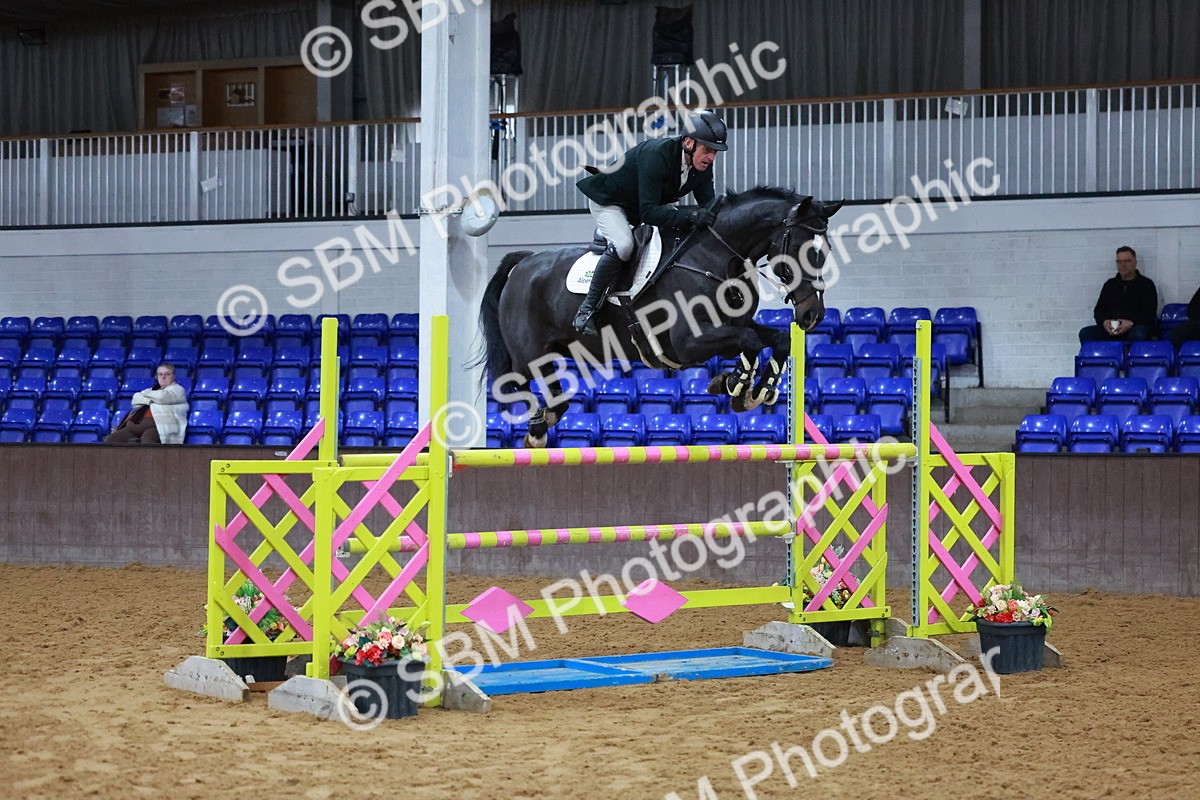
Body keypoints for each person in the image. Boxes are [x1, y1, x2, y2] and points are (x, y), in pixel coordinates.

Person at [572, 109, 728, 335]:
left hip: (645, 205)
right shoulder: (658, 155)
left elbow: (708, 206)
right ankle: (587, 309)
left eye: (715, 152)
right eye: (707, 150)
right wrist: (691, 216)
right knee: (625, 245)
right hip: (612, 203)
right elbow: (649, 213)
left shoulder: (702, 165)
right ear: (688, 142)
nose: (711, 158)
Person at [1078, 246, 1158, 343]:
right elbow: (1098, 310)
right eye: (1119, 262)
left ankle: (1129, 357)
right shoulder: (1110, 285)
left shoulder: (1146, 285)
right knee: (1085, 333)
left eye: (1127, 261)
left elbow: (1150, 313)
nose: (1123, 265)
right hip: (1112, 329)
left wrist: (1131, 323)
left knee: (1138, 334)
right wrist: (1104, 322)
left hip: (1135, 327)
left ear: (1135, 263)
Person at [105, 363, 189, 444]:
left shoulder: (178, 390)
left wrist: (146, 395)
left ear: (173, 376)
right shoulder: (154, 390)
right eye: (160, 374)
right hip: (136, 426)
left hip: (161, 427)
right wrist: (150, 401)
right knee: (112, 439)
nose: (163, 377)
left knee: (148, 439)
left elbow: (162, 397)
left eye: (167, 374)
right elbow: (135, 398)